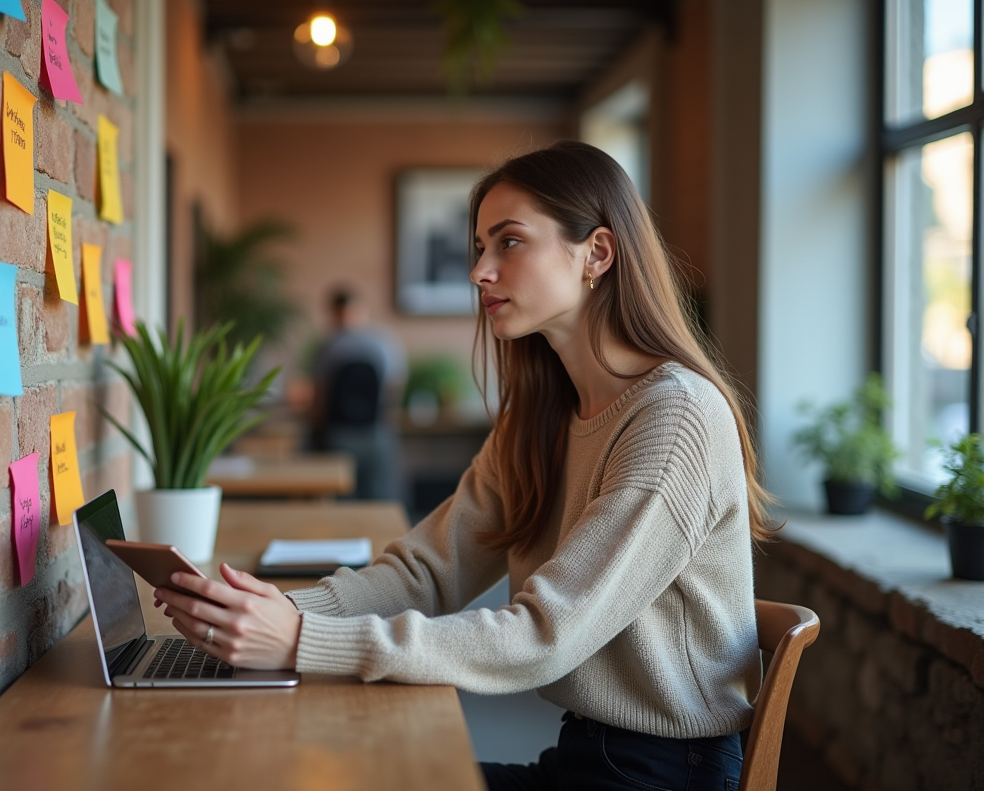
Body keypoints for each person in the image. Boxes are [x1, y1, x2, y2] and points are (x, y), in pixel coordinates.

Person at [153, 141, 774, 790]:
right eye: (480, 247)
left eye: (508, 242)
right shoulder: (540, 414)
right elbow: (427, 572)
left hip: (663, 775)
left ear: (596, 254)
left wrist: (300, 640)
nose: (479, 270)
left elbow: (543, 635)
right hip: (583, 757)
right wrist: (267, 612)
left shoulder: (674, 418)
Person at [307, 287, 407, 500]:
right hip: (377, 431)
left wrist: (315, 430)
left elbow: (320, 395)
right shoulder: (384, 341)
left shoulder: (328, 346)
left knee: (341, 500)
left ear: (333, 313)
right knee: (381, 499)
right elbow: (394, 387)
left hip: (339, 434)